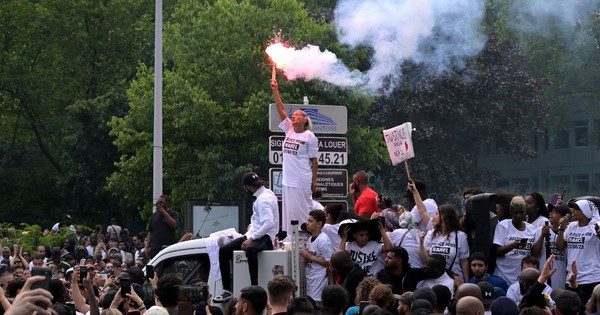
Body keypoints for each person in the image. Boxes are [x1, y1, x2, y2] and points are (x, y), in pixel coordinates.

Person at [214, 172, 279, 303]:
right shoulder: (265, 194)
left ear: (247, 187)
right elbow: (261, 220)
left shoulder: (263, 199)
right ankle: (226, 290)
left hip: (265, 237)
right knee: (224, 251)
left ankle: (254, 287)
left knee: (250, 250)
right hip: (254, 233)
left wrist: (252, 238)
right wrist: (252, 228)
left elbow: (269, 223)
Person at [271, 78, 318, 238]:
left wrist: (314, 181)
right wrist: (275, 90)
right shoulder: (289, 130)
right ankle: (291, 240)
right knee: (290, 213)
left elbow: (314, 160)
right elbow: (280, 108)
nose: (294, 117)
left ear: (305, 120)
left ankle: (307, 240)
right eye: (293, 115)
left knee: (303, 212)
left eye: (297, 116)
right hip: (288, 180)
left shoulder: (309, 136)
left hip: (302, 179)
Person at [556, 199, 600, 303]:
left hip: (591, 278)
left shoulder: (596, 226)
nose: (573, 211)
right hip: (571, 278)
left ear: (586, 211)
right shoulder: (571, 226)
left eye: (577, 209)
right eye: (573, 208)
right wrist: (561, 229)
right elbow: (560, 247)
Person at [419, 203, 470, 282]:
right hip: (433, 279)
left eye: (436, 214)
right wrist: (421, 243)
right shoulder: (431, 234)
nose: (433, 217)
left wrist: (466, 282)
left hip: (454, 279)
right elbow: (425, 259)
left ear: (444, 217)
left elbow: (464, 261)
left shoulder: (460, 236)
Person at [493, 196, 536, 285]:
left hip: (522, 277)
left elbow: (533, 253)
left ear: (525, 212)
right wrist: (513, 246)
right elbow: (497, 251)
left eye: (521, 212)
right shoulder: (503, 226)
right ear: (511, 212)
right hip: (503, 275)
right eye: (516, 212)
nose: (519, 215)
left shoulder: (531, 229)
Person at [531, 203, 570, 290]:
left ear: (563, 217)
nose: (550, 213)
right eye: (551, 211)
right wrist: (542, 235)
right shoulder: (540, 230)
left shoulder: (569, 232)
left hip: (561, 275)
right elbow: (534, 253)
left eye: (555, 212)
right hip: (542, 275)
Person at [301, 210, 333, 303]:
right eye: (307, 220)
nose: (307, 223)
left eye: (310, 221)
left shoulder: (323, 239)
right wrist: (306, 257)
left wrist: (309, 256)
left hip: (319, 280)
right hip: (310, 279)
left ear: (319, 224)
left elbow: (328, 262)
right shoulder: (310, 239)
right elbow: (307, 262)